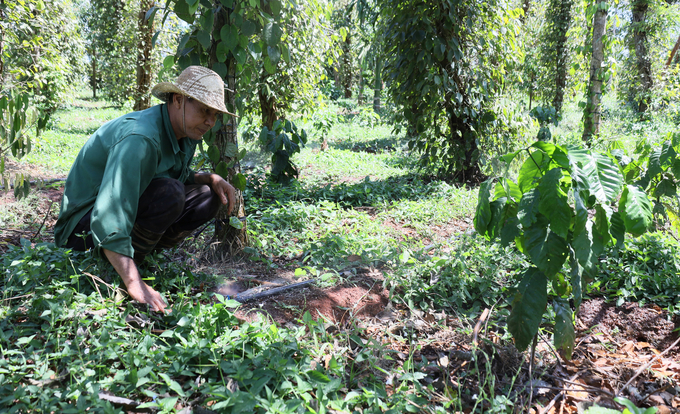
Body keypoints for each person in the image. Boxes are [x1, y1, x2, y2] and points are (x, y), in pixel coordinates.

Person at [54, 66, 236, 314]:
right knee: (171, 193)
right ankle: (121, 266)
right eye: (204, 110)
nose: (210, 121)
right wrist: (134, 282)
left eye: (215, 114)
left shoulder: (185, 133)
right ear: (178, 100)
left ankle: (140, 256)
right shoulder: (140, 138)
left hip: (111, 217)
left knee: (206, 196)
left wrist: (209, 178)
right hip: (81, 230)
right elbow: (109, 213)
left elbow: (172, 174)